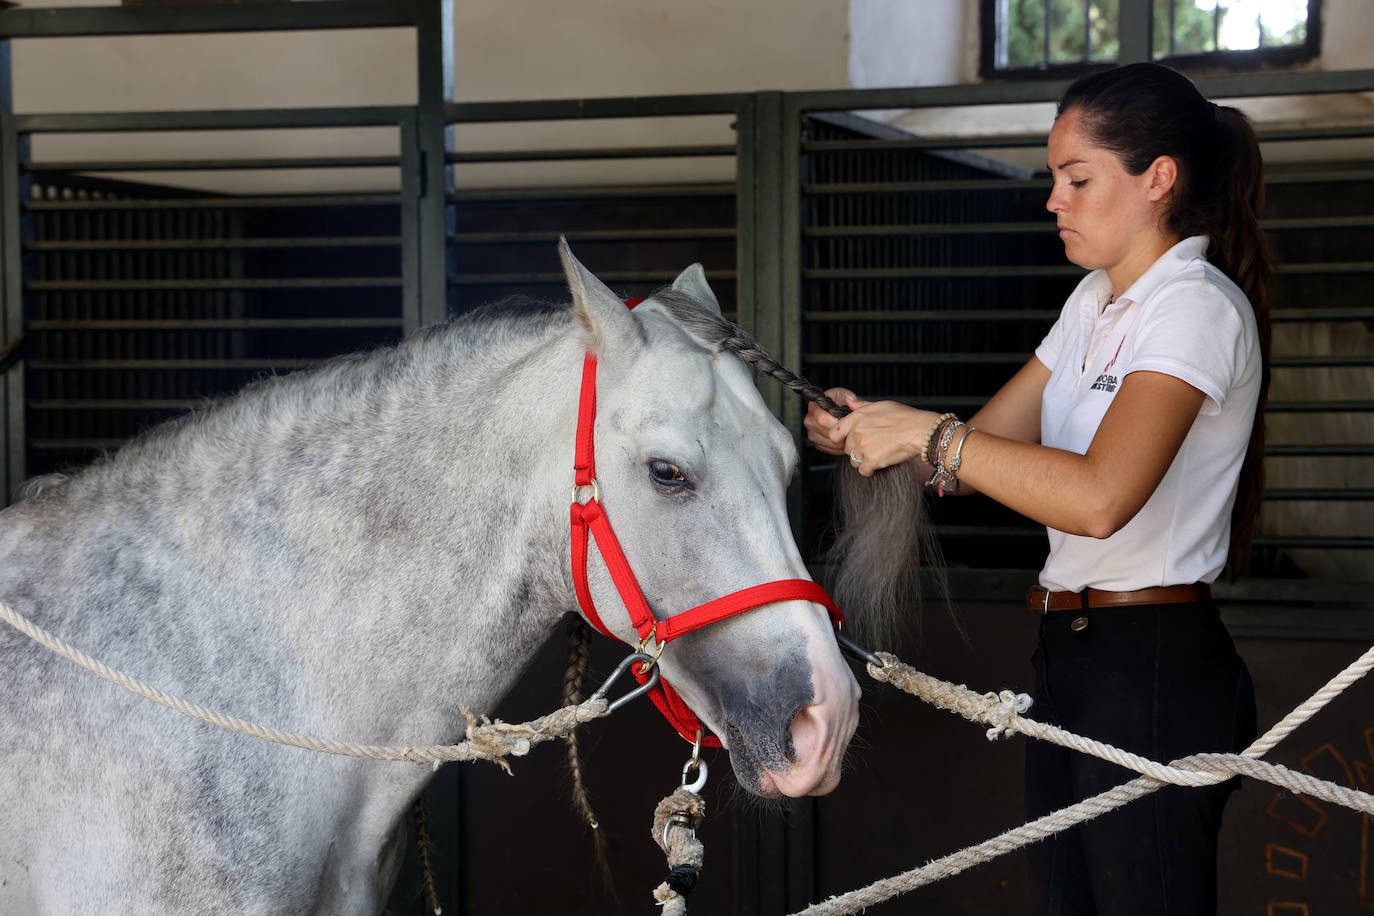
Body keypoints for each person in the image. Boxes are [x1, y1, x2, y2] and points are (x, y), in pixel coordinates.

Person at [804, 62, 1269, 916]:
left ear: (1158, 178)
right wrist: (874, 429)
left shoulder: (1195, 306)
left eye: (1076, 178)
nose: (1054, 199)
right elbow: (978, 456)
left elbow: (1098, 496)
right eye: (1056, 177)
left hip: (1152, 662)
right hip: (1070, 655)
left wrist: (932, 436)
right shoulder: (1093, 302)